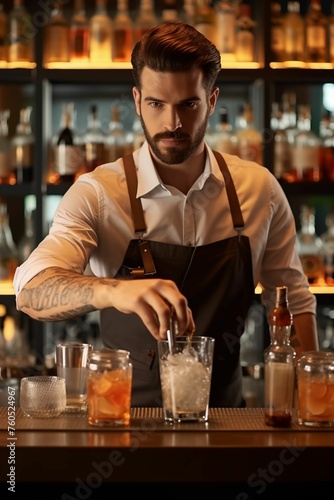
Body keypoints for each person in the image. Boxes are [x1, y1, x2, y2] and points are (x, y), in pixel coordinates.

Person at [13, 22, 318, 408]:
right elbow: (31, 291)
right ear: (137, 100)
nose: (172, 123)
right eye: (156, 104)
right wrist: (114, 291)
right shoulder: (99, 193)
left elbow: (293, 303)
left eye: (187, 104)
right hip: (122, 422)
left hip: (228, 427)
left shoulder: (259, 190)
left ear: (211, 100)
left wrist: (313, 410)